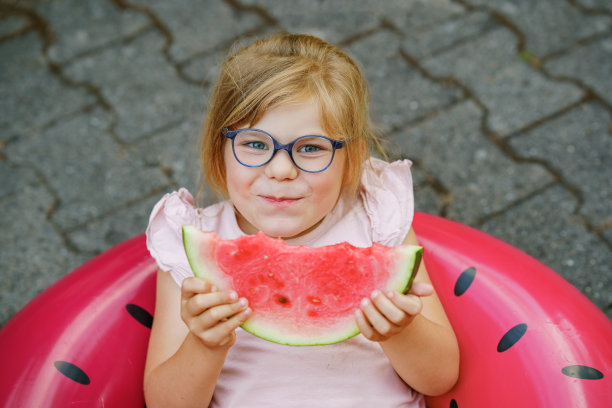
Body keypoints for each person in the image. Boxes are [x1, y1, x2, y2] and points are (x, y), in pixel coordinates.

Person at [143, 32, 459, 407]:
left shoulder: (379, 223)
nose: (280, 170)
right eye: (255, 144)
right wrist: (204, 344)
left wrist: (400, 332)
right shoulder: (190, 249)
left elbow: (441, 378)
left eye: (310, 148)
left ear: (352, 159)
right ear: (220, 148)